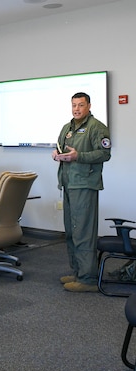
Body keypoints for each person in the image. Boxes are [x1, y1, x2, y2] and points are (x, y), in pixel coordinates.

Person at [52, 92, 111, 292]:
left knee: (83, 232)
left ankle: (87, 279)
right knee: (71, 230)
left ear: (89, 106)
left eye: (81, 105)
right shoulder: (67, 128)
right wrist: (57, 155)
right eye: (74, 105)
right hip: (68, 184)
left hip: (85, 185)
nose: (76, 109)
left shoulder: (97, 127)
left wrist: (79, 156)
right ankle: (77, 271)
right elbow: (62, 149)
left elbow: (105, 153)